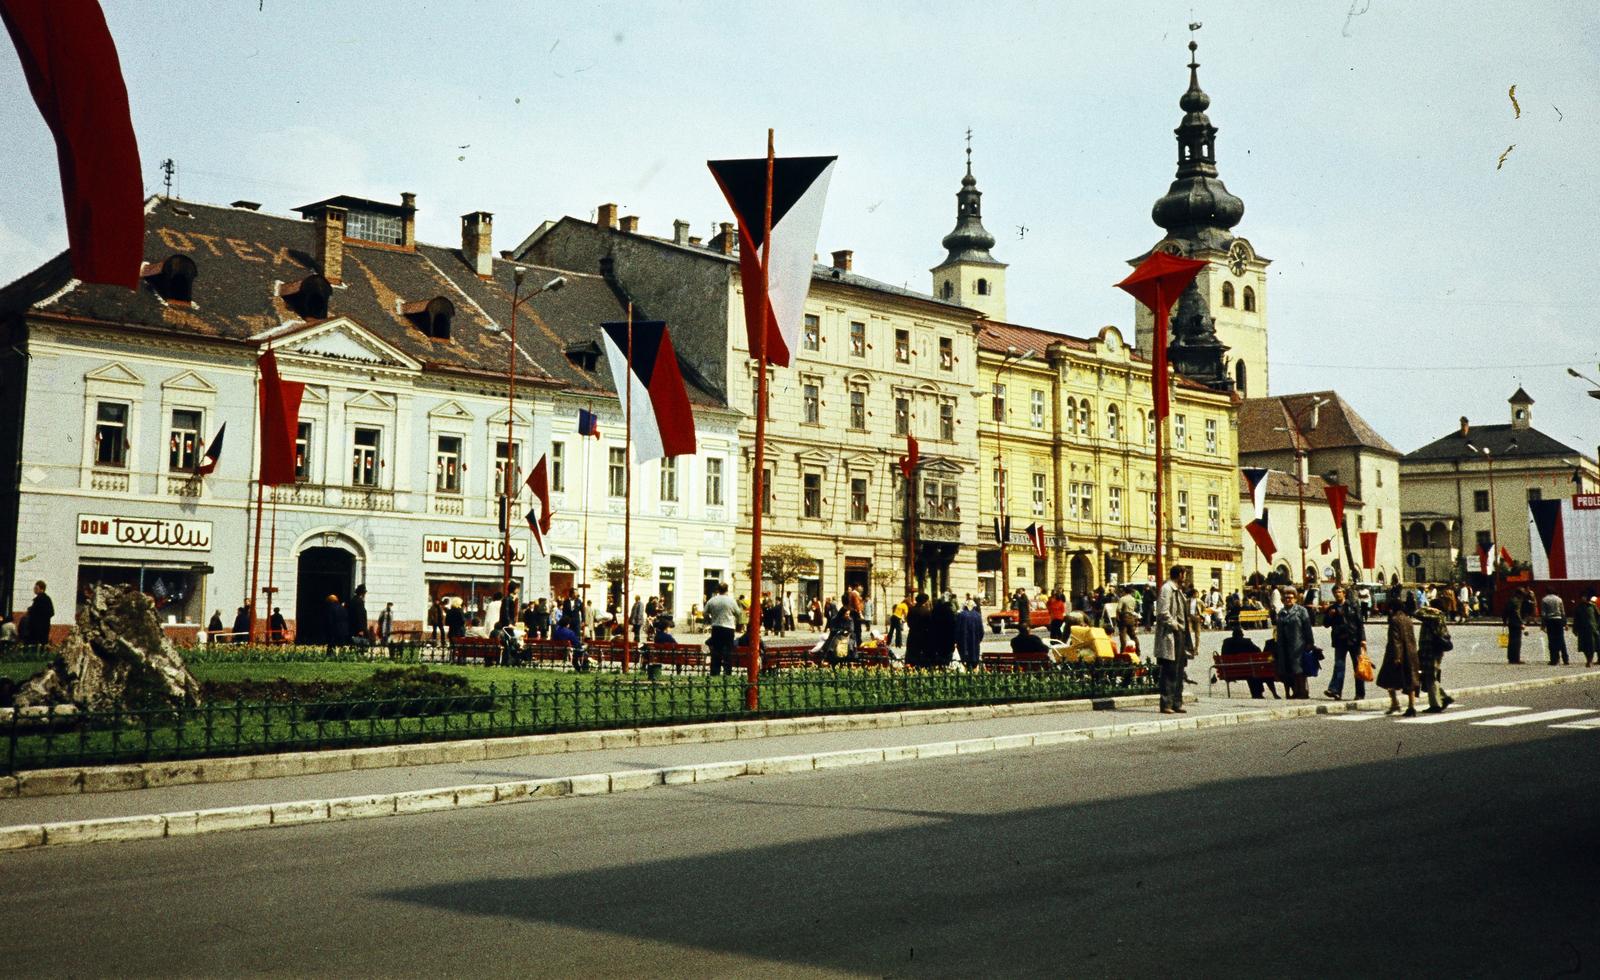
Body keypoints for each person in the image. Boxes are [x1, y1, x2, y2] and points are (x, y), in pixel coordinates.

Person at [1378, 595, 1421, 716]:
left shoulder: (1394, 620)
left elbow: (1395, 639)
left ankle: (1395, 703)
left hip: (1396, 654)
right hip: (1411, 653)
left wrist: (1397, 656)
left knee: (1387, 678)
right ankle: (1411, 706)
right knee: (1410, 680)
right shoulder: (1408, 619)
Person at [1323, 585, 1367, 701]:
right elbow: (1326, 624)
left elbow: (1360, 623)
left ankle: (1360, 693)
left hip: (1354, 639)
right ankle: (1336, 691)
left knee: (1358, 667)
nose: (1337, 594)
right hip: (1340, 641)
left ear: (1344, 593)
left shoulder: (1353, 605)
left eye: (1339, 592)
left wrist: (1363, 639)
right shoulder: (1332, 608)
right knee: (1339, 666)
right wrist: (1329, 615)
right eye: (1335, 592)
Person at [1154, 566, 1188, 713]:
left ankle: (1177, 702)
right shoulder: (1167, 589)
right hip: (1171, 634)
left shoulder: (1178, 590)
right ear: (1179, 574)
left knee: (1179, 669)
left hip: (1180, 633)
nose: (1185, 577)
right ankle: (1166, 703)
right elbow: (1162, 612)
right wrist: (1175, 626)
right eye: (1184, 574)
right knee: (1170, 669)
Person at [1273, 586, 1315, 700]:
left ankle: (1303, 691)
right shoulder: (1281, 613)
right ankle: (1296, 691)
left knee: (1299, 669)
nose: (1288, 599)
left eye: (1291, 597)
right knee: (1289, 669)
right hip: (1284, 645)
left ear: (1295, 599)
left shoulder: (1301, 610)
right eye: (1286, 598)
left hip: (1298, 644)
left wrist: (1310, 642)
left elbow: (1307, 628)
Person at [1416, 599, 1456, 713]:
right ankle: (1443, 698)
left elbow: (1417, 612)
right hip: (1433, 650)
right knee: (1430, 675)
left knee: (1430, 676)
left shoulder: (1434, 616)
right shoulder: (1436, 617)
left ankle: (1436, 705)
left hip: (1431, 650)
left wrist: (1430, 608)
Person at [1221, 624, 1278, 699]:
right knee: (1254, 671)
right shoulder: (1246, 642)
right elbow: (1258, 650)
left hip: (1229, 671)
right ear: (1242, 634)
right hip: (1248, 670)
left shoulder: (1226, 642)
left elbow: (1223, 654)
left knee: (1250, 669)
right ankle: (1258, 693)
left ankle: (1257, 694)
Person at [704, 582, 739, 677]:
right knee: (728, 651)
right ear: (727, 590)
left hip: (716, 628)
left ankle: (715, 672)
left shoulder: (712, 600)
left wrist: (711, 619)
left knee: (716, 651)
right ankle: (727, 672)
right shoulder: (731, 601)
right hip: (728, 628)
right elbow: (738, 613)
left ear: (718, 590)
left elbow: (705, 612)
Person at [1540, 591, 1570, 666]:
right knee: (1561, 639)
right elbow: (1563, 612)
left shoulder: (1544, 600)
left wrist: (1543, 625)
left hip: (1550, 621)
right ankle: (1565, 659)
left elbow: (1543, 613)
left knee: (1551, 640)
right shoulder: (1559, 599)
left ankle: (1554, 659)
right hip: (1558, 620)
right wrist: (1565, 623)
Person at [928, 595, 958, 668]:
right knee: (946, 659)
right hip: (948, 640)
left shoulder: (935, 611)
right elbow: (953, 626)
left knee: (938, 658)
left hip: (937, 639)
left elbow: (931, 625)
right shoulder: (950, 612)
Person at [904, 593, 932, 669]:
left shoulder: (911, 609)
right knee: (921, 656)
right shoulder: (926, 611)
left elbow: (908, 622)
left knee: (911, 654)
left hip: (912, 634)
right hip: (923, 636)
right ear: (925, 601)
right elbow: (929, 624)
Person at [956, 599, 985, 669]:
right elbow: (981, 632)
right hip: (975, 645)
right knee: (973, 663)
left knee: (965, 663)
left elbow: (957, 630)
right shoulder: (978, 616)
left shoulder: (961, 615)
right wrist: (978, 640)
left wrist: (957, 641)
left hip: (963, 644)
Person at [1573, 591, 1599, 668]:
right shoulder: (1578, 607)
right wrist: (1575, 629)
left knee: (1592, 646)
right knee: (1584, 646)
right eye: (1582, 597)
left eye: (1585, 596)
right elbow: (1576, 619)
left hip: (1592, 629)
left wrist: (1597, 627)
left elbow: (1598, 617)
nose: (1583, 598)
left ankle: (1590, 661)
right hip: (1582, 630)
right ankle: (1588, 660)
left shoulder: (1593, 606)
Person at [24, 581, 53, 646]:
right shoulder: (40, 599)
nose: (34, 590)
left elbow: (50, 612)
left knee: (36, 644)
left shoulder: (43, 599)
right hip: (40, 627)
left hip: (38, 627)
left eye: (36, 588)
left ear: (42, 589)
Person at [1504, 588, 1526, 664]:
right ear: (1519, 594)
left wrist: (1504, 621)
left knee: (1511, 641)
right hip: (1516, 623)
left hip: (1511, 622)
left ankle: (1511, 657)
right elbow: (1517, 613)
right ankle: (1516, 658)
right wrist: (1521, 622)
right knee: (1517, 642)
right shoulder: (1517, 601)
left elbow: (1505, 611)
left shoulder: (1510, 600)